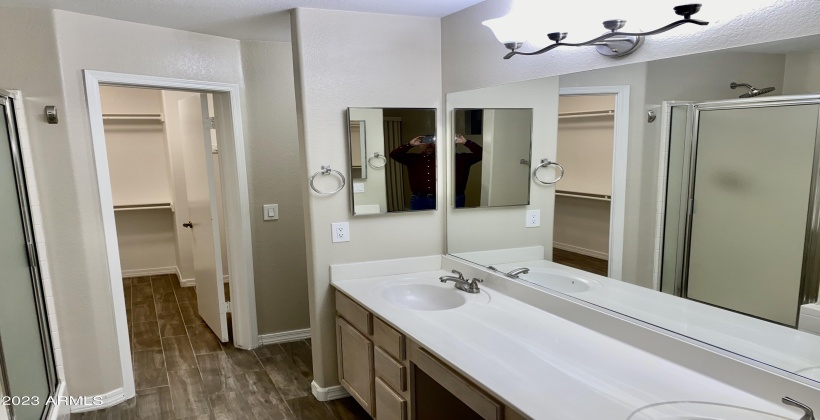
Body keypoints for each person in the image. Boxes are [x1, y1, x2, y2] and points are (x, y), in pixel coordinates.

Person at [389, 134, 482, 210]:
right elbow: (394, 155)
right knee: (418, 227)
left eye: (433, 142)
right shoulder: (413, 159)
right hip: (420, 200)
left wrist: (465, 142)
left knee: (454, 226)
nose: (429, 145)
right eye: (425, 142)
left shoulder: (459, 159)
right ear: (420, 145)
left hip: (452, 200)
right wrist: (409, 144)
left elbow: (481, 154)